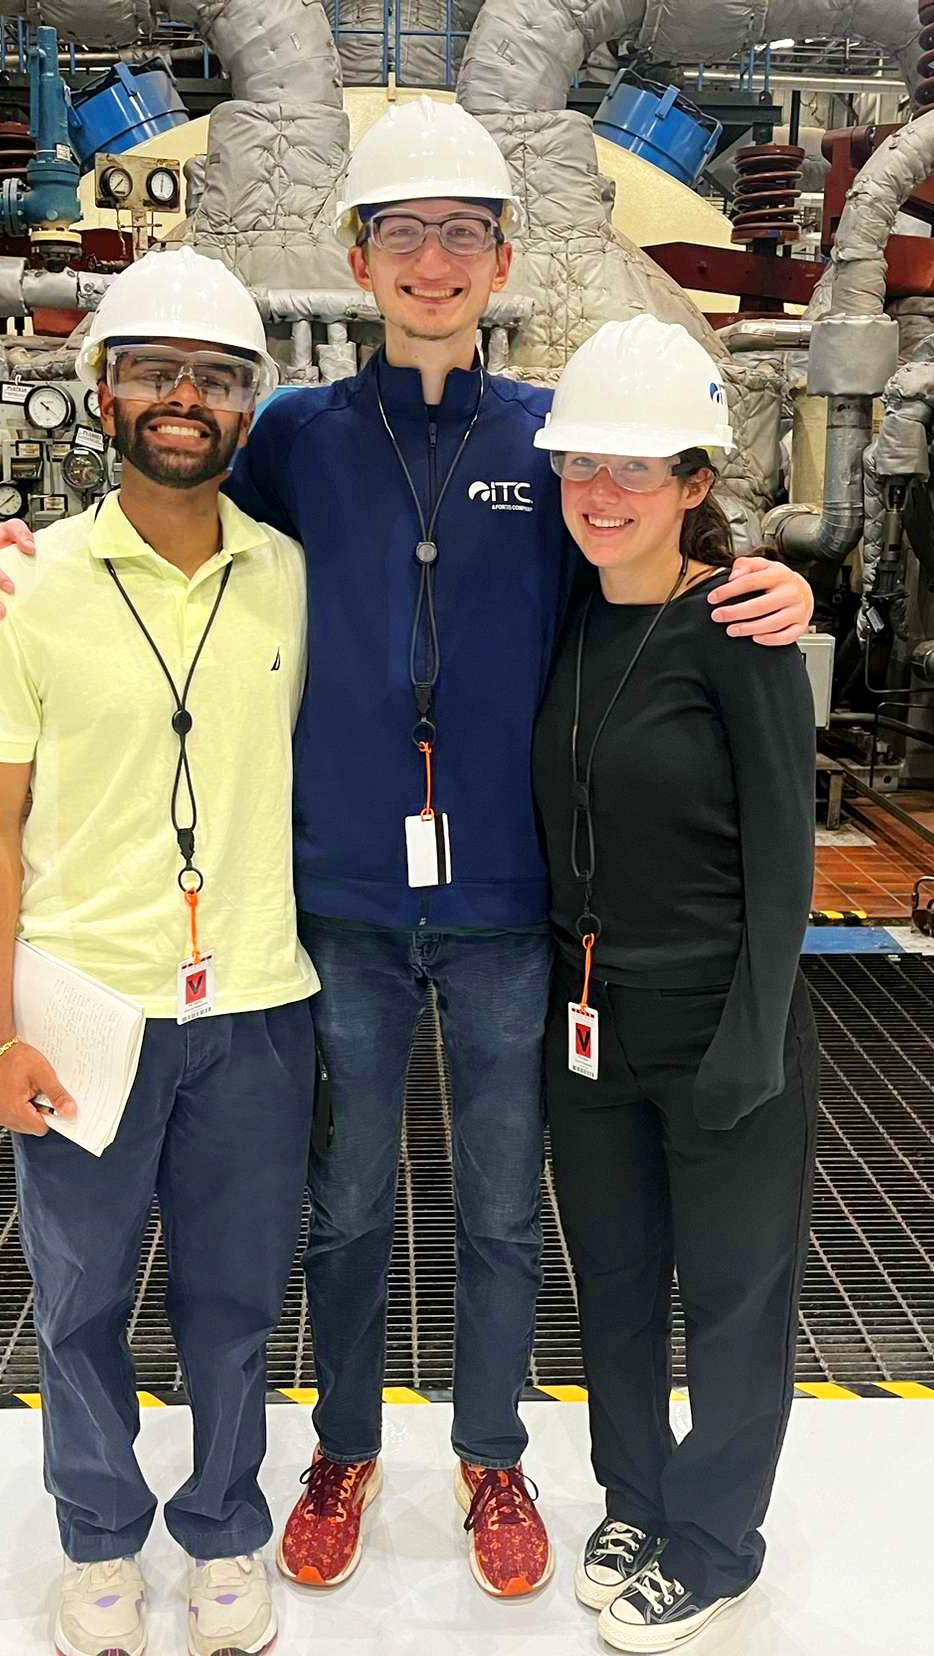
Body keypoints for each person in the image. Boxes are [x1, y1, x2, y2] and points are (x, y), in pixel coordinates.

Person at [0, 97, 815, 1604]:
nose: (431, 261)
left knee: (495, 1206)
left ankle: (491, 1455)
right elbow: (160, 513)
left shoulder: (554, 442)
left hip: (500, 919)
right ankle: (342, 1446)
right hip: (332, 910)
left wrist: (775, 583)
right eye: (401, 233)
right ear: (355, 257)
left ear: (500, 259)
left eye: (460, 234)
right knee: (340, 1210)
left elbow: (652, 556)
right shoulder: (290, 439)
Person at [0, 245, 319, 1656]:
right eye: (156, 371)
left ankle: (225, 1531)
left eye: (216, 379)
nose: (184, 398)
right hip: (84, 1004)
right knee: (81, 1299)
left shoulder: (288, 576)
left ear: (247, 411)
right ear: (101, 395)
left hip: (259, 1012)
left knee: (232, 1302)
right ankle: (100, 1539)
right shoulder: (18, 586)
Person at [531, 315, 819, 1652]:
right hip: (587, 1035)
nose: (598, 492)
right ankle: (634, 1501)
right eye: (579, 462)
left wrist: (751, 1038)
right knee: (617, 1284)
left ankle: (713, 1540)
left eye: (635, 469)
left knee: (732, 1298)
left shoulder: (740, 629)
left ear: (695, 486)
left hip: (719, 1028)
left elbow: (781, 852)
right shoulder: (570, 618)